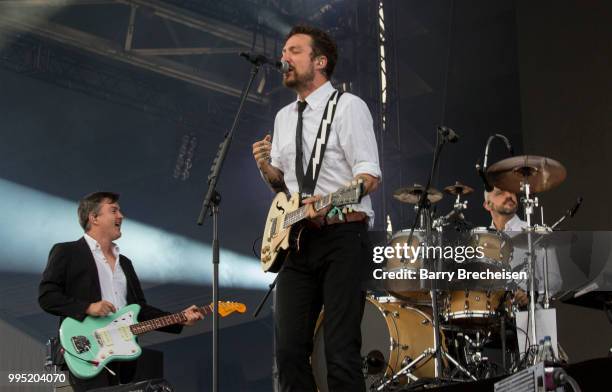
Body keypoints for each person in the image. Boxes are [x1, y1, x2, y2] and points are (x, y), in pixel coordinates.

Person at [252, 25, 381, 391]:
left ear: (320, 61)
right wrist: (266, 168)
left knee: (340, 350)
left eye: (294, 51)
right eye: (283, 52)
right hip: (296, 242)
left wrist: (325, 202)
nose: (284, 58)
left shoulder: (348, 107)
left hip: (342, 236)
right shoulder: (283, 117)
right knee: (289, 352)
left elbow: (369, 178)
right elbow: (284, 190)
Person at [39, 191, 203, 391]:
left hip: (123, 353)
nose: (121, 216)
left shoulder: (125, 263)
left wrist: (180, 318)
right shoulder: (67, 252)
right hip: (87, 349)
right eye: (114, 210)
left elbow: (139, 309)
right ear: (94, 217)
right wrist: (88, 307)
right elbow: (47, 297)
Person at [483, 187, 563, 306]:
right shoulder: (481, 240)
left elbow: (554, 280)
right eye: (500, 193)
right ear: (488, 205)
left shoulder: (537, 233)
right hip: (491, 319)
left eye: (511, 191)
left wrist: (531, 293)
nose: (509, 195)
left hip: (530, 318)